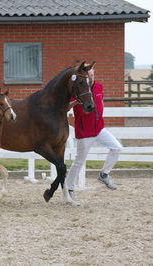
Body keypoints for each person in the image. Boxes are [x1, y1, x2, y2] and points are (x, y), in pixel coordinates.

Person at [64, 67, 122, 206]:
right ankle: (69, 188)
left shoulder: (99, 86)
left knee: (117, 148)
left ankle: (104, 175)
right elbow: (66, 108)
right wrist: (76, 101)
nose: (90, 78)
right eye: (88, 75)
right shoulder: (77, 89)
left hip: (99, 129)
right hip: (85, 132)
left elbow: (100, 102)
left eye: (92, 75)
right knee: (79, 162)